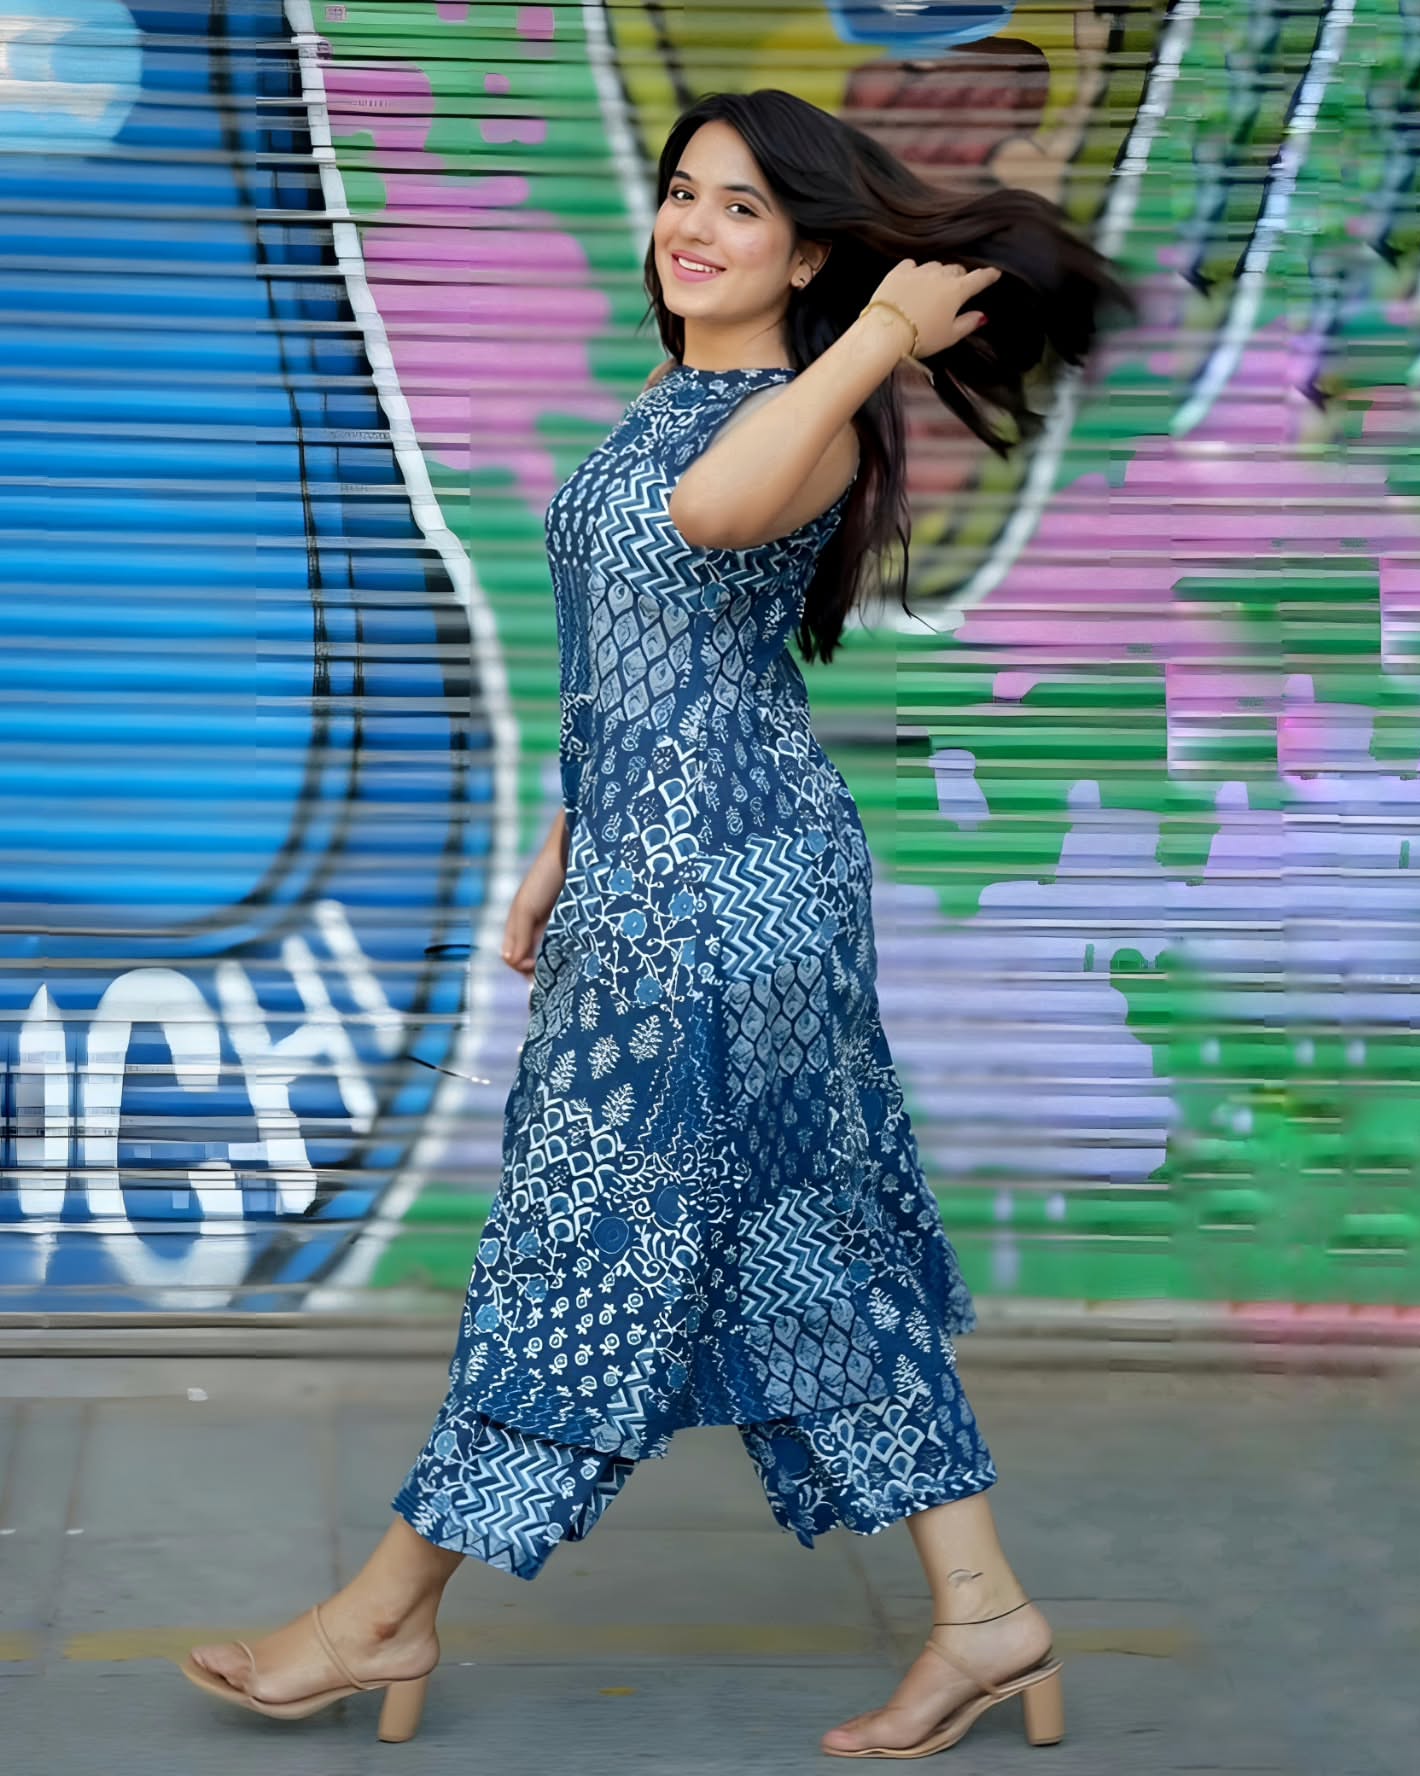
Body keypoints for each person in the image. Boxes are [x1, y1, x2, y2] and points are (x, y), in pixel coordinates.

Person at [180, 88, 1124, 1757]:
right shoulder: (677, 394)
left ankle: (383, 1614)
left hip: (723, 901)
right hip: (657, 870)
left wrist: (883, 340)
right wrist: (564, 836)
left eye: (741, 208)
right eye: (682, 191)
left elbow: (711, 521)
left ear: (809, 253)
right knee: (809, 1245)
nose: (689, 225)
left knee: (582, 1241)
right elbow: (652, 654)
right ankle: (986, 1615)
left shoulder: (798, 416)